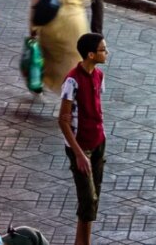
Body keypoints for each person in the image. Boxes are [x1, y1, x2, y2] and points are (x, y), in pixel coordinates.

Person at [58, 32, 108, 245]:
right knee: (88, 198)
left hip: (98, 142)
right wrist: (78, 154)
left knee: (92, 199)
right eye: (102, 50)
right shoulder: (72, 80)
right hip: (81, 146)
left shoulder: (99, 76)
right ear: (90, 54)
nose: (106, 53)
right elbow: (63, 120)